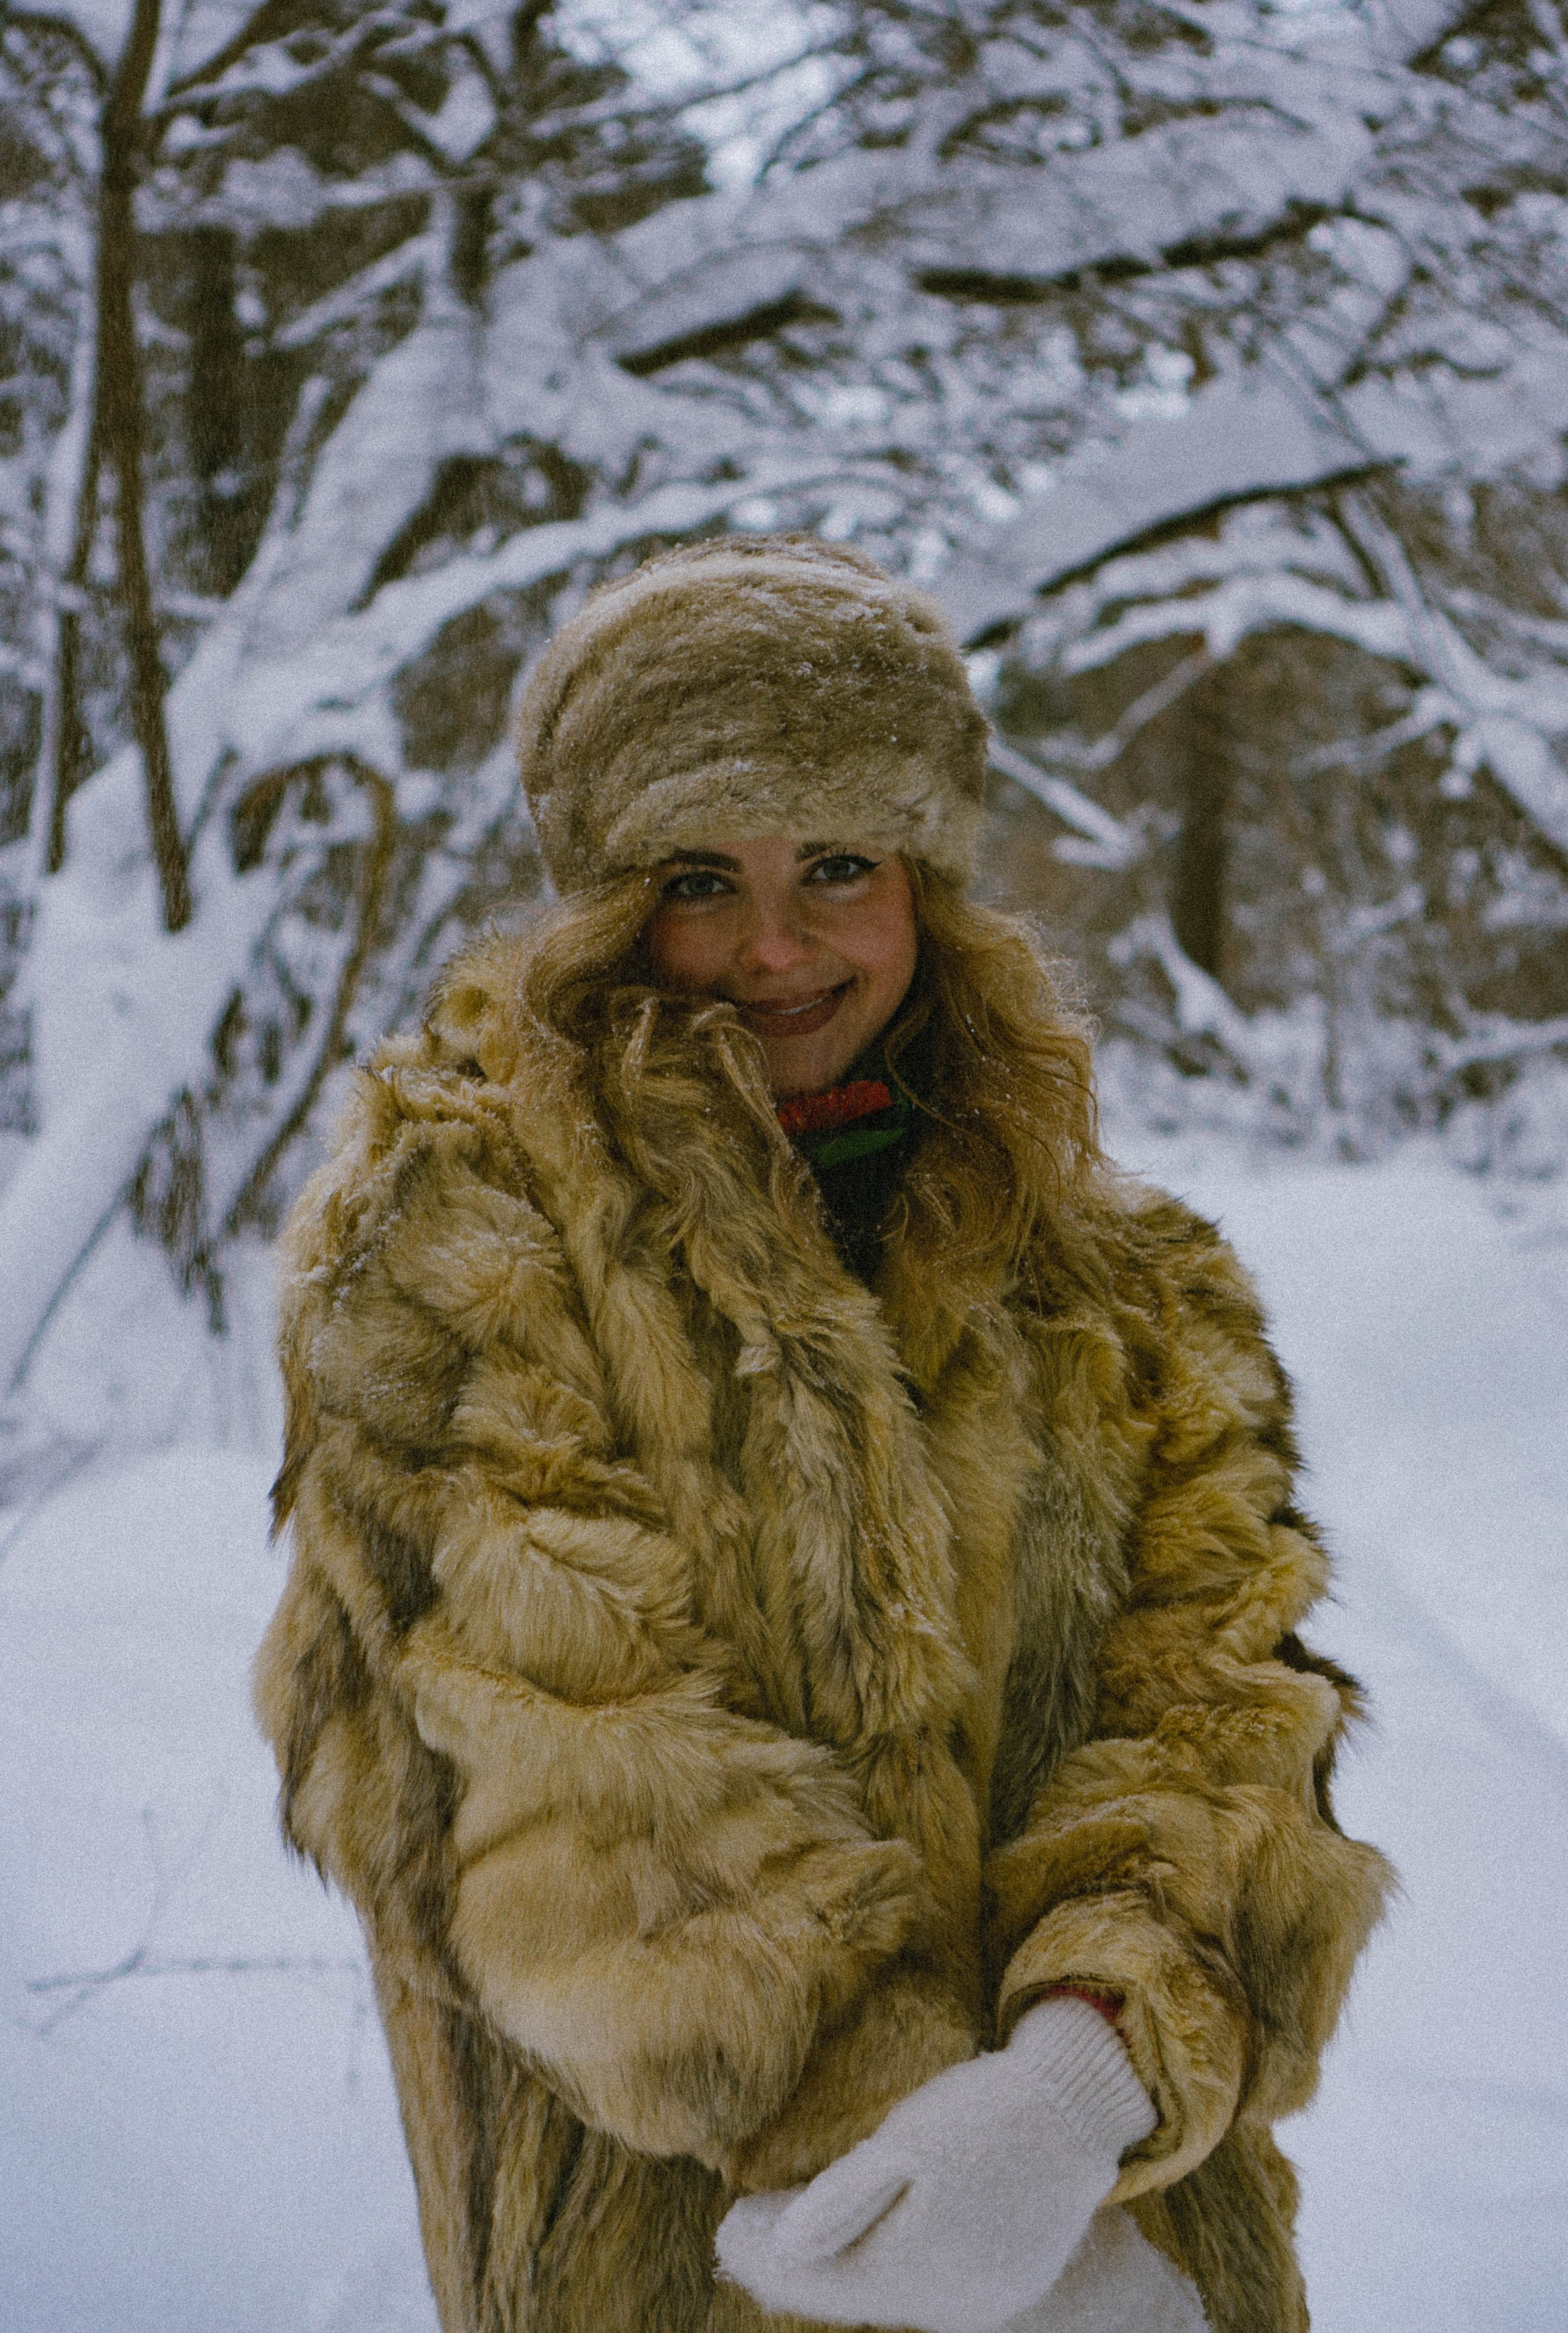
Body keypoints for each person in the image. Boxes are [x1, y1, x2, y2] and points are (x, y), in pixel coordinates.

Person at [255, 536, 1392, 2333]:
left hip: (1131, 2245)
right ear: (614, 897)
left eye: (839, 868)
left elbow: (1225, 1718)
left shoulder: (1133, 1291)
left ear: (926, 888)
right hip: (679, 2255)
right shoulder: (459, 1239)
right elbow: (557, 1758)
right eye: (703, 878)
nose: (776, 948)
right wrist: (906, 2141)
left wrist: (1080, 2092)